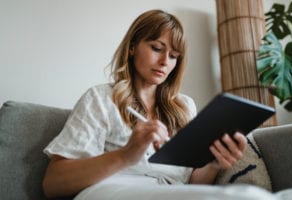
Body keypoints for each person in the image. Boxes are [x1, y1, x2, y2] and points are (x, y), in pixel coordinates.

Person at [42, 9, 248, 199]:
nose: (165, 62)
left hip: (171, 193)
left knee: (248, 196)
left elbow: (191, 182)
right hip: (113, 190)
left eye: (174, 56)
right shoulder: (101, 98)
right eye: (157, 48)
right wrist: (126, 155)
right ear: (132, 47)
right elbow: (52, 184)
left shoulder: (185, 107)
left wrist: (213, 164)